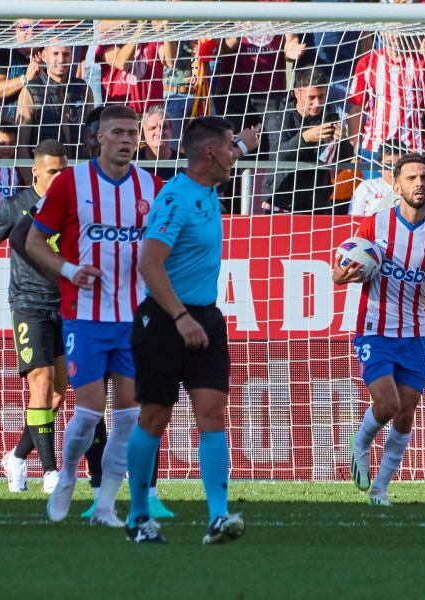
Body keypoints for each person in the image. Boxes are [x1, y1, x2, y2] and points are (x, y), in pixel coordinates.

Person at [27, 105, 163, 527]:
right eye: (118, 132)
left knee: (127, 417)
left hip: (134, 319)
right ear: (99, 138)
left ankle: (105, 504)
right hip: (84, 316)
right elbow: (32, 241)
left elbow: (164, 245)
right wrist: (69, 270)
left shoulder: (152, 186)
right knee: (87, 414)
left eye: (132, 133)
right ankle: (66, 475)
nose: (126, 139)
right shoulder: (71, 183)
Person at [124, 117, 258, 544]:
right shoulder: (176, 199)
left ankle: (218, 517)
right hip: (166, 319)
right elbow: (149, 264)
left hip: (207, 319)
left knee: (213, 415)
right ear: (209, 155)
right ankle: (139, 517)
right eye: (229, 150)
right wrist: (181, 318)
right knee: (154, 417)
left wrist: (242, 140)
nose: (235, 157)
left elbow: (232, 147)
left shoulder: (208, 187)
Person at [338, 153, 425, 507]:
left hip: (416, 333)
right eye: (411, 177)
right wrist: (342, 275)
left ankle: (380, 488)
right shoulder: (374, 225)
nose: (419, 182)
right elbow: (339, 270)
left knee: (406, 412)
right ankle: (359, 443)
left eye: (424, 176)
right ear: (396, 185)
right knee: (387, 403)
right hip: (375, 329)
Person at [0, 140, 67, 493]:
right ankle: (51, 472)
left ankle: (17, 455)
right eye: (52, 171)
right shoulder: (13, 208)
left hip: (65, 306)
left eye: (63, 171)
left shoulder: (75, 207)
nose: (58, 178)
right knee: (39, 382)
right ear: (35, 170)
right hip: (28, 306)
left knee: (57, 394)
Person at [262, 67, 353, 214]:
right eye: (311, 97)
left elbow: (345, 160)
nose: (317, 103)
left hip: (317, 202)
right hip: (282, 201)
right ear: (297, 93)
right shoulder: (278, 118)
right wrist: (304, 138)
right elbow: (277, 156)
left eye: (321, 97)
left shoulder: (330, 118)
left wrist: (342, 140)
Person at [348, 32, 425, 168]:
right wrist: (353, 149)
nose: (397, 35)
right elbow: (357, 107)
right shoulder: (367, 62)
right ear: (382, 31)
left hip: (412, 150)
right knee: (375, 190)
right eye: (392, 29)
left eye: (402, 29)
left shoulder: (423, 64)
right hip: (373, 149)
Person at [15, 45, 93, 159]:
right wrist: (29, 176)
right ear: (44, 56)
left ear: (72, 57)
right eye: (55, 53)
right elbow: (21, 144)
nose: (61, 60)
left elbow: (91, 134)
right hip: (45, 172)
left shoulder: (83, 89)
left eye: (66, 54)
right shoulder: (30, 91)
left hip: (78, 169)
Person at [0, 19, 42, 121]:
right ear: (14, 31)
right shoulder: (4, 54)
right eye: (24, 27)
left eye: (36, 28)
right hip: (8, 126)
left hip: (43, 123)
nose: (31, 32)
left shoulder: (50, 54)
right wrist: (25, 79)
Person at [349, 141, 401, 216]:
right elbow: (354, 217)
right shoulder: (366, 187)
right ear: (379, 166)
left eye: (398, 164)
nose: (394, 170)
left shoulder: (411, 188)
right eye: (388, 164)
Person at [139, 105, 179, 181]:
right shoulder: (131, 163)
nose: (159, 132)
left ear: (171, 131)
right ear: (142, 134)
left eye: (164, 127)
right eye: (152, 128)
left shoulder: (184, 163)